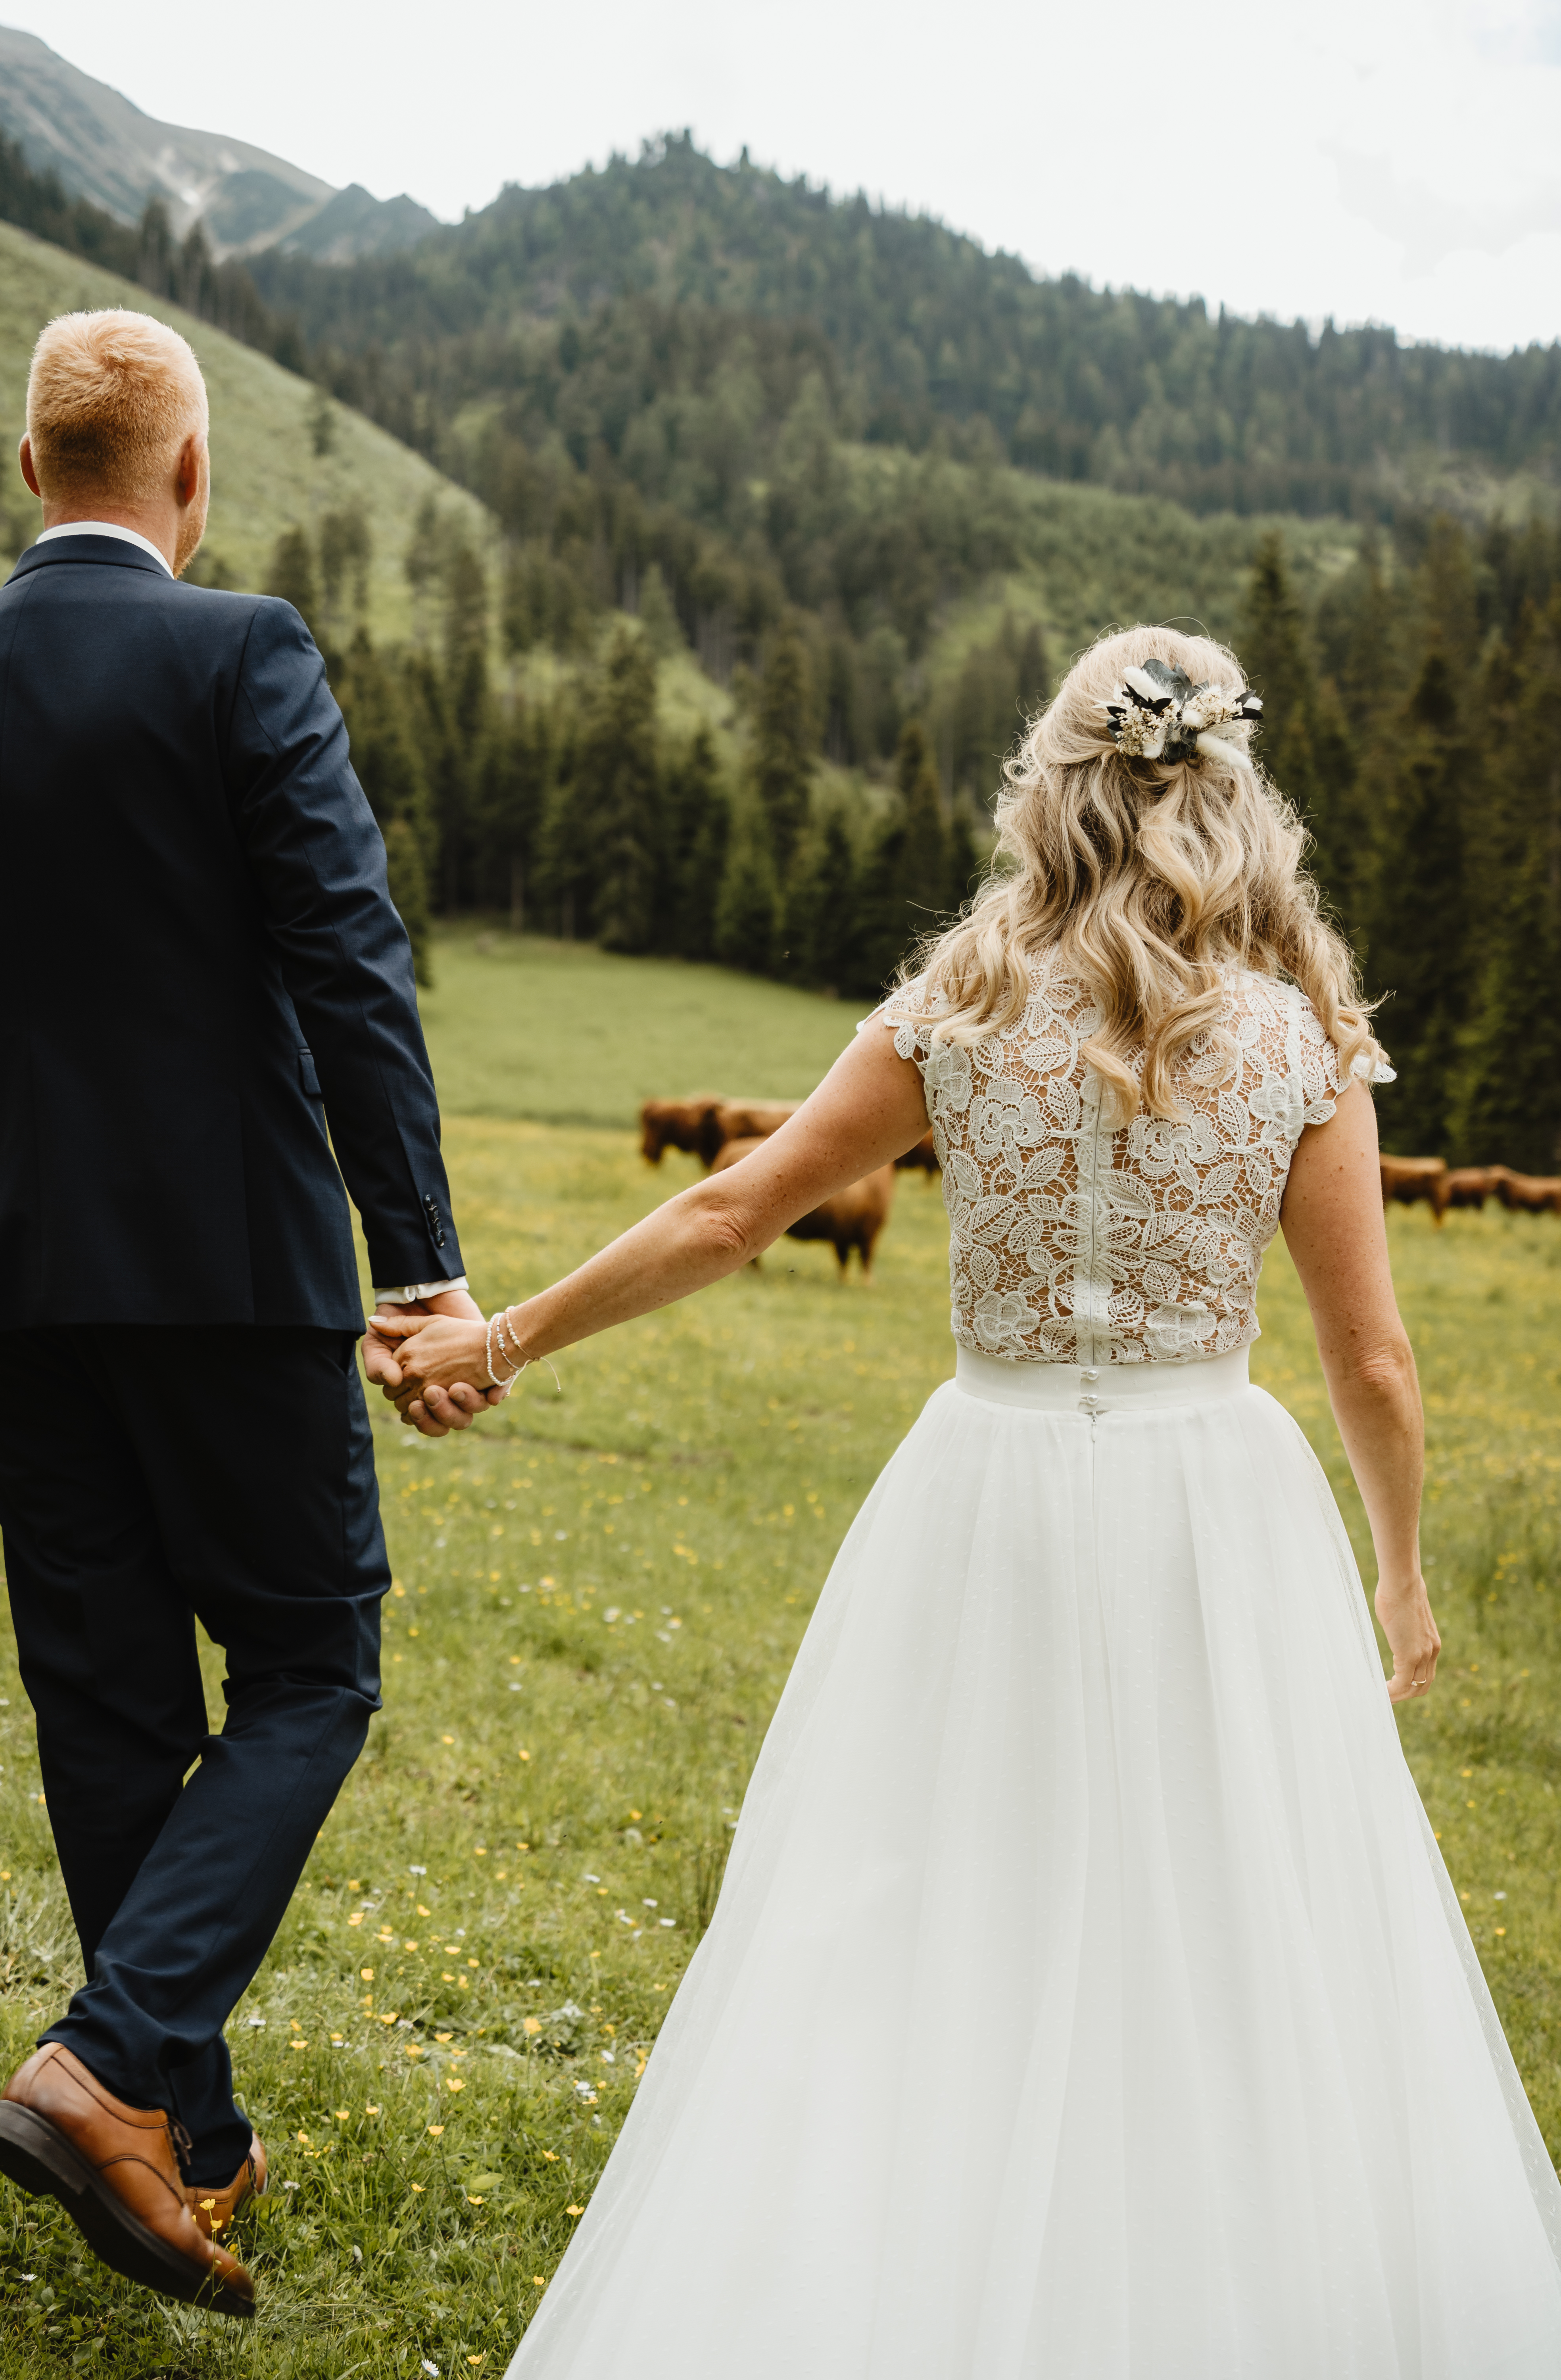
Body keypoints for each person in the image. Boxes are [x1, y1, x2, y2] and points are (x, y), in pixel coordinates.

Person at [378, 629, 1561, 2376]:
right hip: (1211, 1505)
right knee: (1242, 1909)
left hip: (981, 1494)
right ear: (1231, 793)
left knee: (924, 1892)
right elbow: (1374, 1362)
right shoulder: (1301, 1035)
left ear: (1049, 783)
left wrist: (506, 1339)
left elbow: (733, 1213)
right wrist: (1394, 1573)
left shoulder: (962, 1003)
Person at [0, 308, 493, 2319]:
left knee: (108, 1701)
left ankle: (186, 2133)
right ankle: (107, 2068)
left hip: (5, 1291)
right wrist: (421, 1257)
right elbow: (348, 962)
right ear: (191, 478)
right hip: (228, 1277)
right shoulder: (240, 652)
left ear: (37, 477)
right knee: (310, 1667)